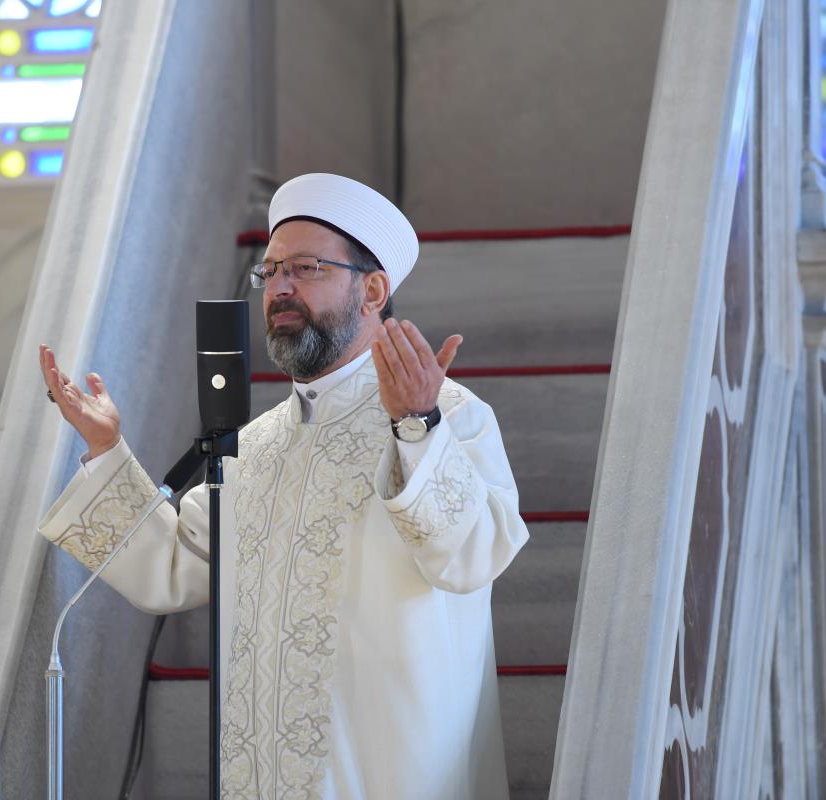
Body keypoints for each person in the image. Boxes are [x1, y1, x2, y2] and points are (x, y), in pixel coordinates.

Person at [37, 173, 528, 799]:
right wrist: (106, 450)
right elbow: (175, 561)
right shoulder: (258, 443)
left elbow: (472, 556)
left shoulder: (452, 414)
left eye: (305, 268)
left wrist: (417, 425)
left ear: (373, 288)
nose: (281, 289)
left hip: (397, 770)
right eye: (270, 273)